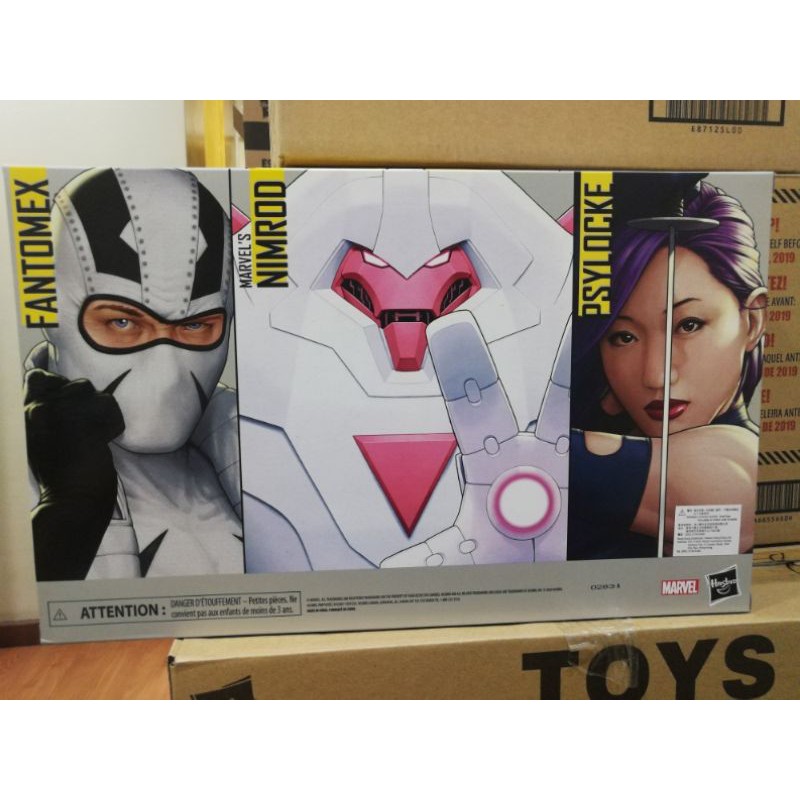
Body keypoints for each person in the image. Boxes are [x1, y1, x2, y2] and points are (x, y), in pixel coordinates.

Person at [23, 168, 243, 580]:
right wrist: (66, 515)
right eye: (122, 323)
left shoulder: (257, 450)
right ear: (54, 318)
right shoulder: (18, 477)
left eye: (195, 325)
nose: (166, 371)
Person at [568, 177, 767, 559]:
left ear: (753, 320)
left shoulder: (734, 468)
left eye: (689, 325)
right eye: (623, 337)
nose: (656, 376)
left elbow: (525, 455)